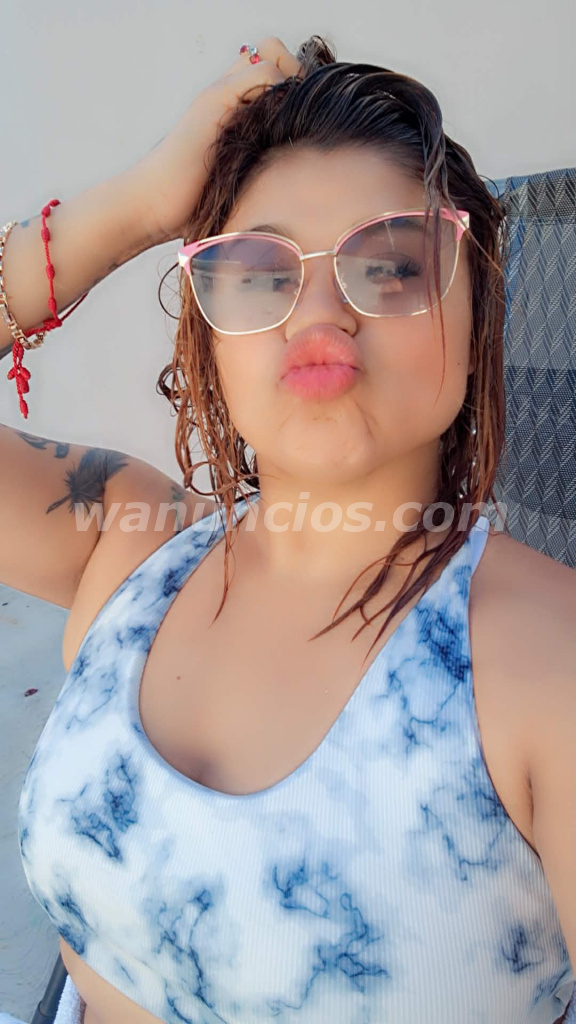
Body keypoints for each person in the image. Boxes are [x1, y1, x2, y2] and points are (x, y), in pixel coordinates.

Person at [1, 33, 574, 1024]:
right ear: (208, 335)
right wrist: (140, 206)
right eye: (259, 272)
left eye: (390, 267)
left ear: (479, 314)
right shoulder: (126, 538)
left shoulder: (548, 663)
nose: (320, 311)